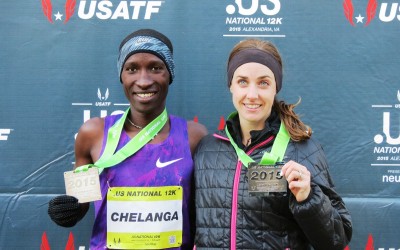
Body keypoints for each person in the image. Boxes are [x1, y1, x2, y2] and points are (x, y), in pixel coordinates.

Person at [48, 28, 208, 250]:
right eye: (132, 69)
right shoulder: (93, 133)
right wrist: (70, 209)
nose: (143, 81)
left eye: (155, 68)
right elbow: (81, 201)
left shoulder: (194, 135)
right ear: (121, 76)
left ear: (169, 74)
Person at [193, 39, 352, 250]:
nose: (252, 94)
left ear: (276, 87)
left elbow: (336, 240)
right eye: (242, 81)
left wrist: (308, 198)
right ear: (230, 85)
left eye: (263, 83)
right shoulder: (207, 149)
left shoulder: (303, 149)